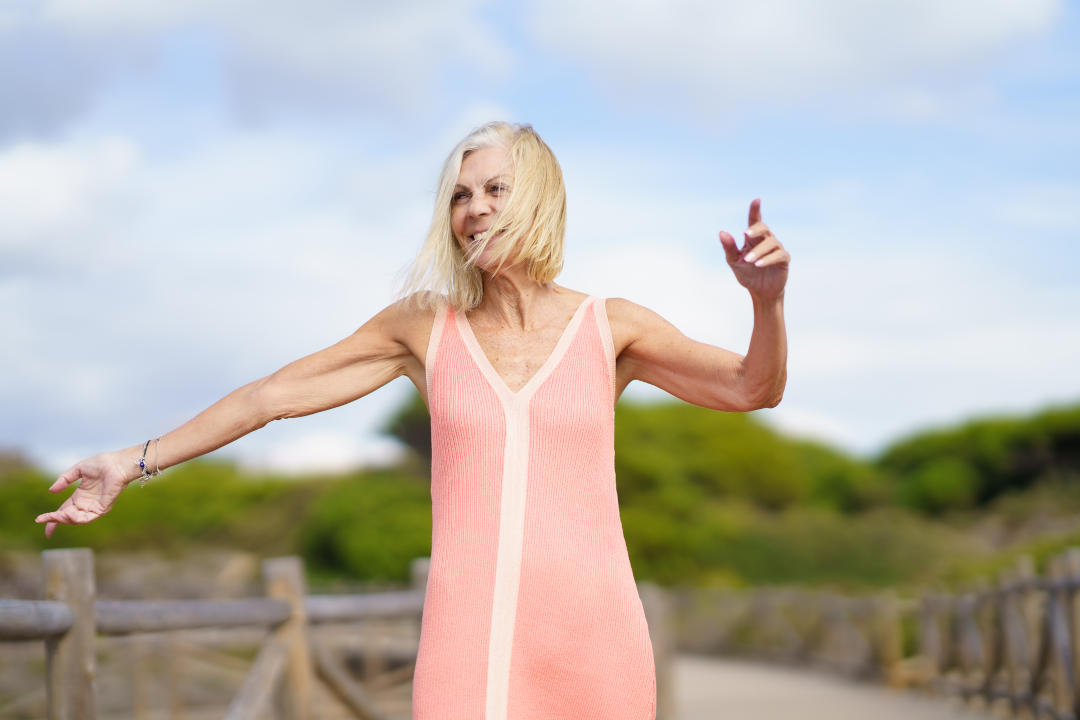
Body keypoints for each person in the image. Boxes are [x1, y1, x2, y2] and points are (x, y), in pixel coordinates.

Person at [36, 121, 788, 719]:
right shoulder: (424, 328)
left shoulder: (611, 326)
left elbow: (754, 386)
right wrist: (132, 463)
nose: (474, 209)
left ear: (540, 198)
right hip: (467, 644)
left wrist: (766, 303)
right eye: (461, 196)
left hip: (592, 642)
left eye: (495, 188)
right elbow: (270, 396)